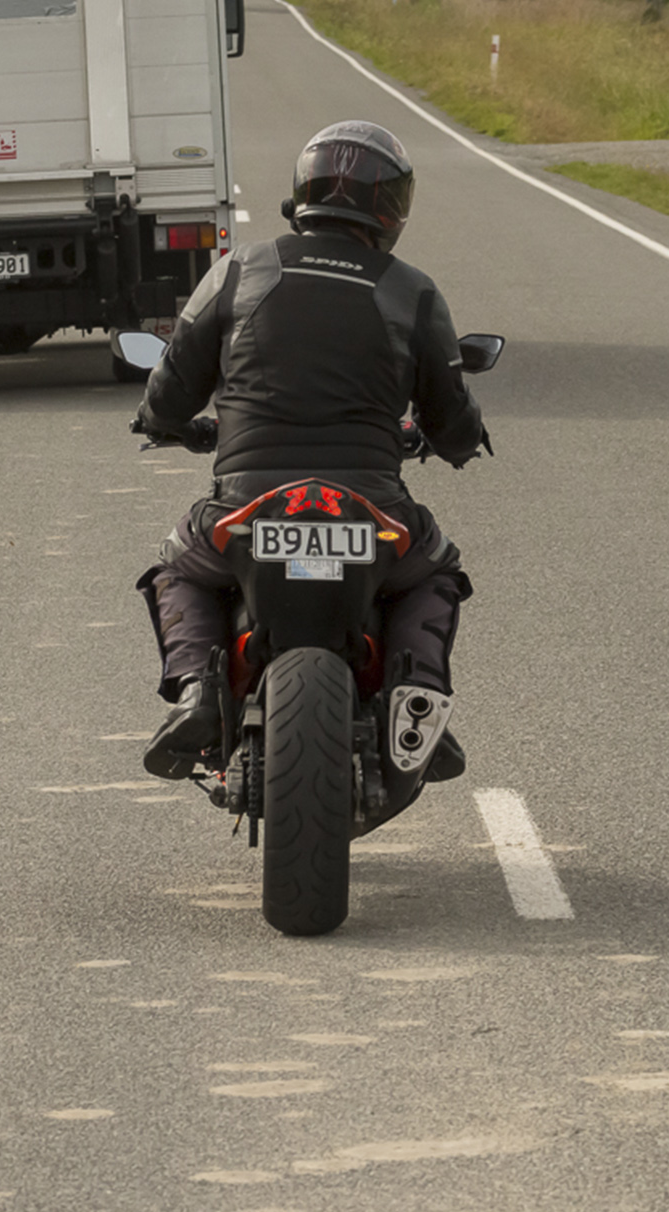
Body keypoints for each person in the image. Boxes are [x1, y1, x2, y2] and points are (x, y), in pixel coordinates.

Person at [131, 120, 488, 781]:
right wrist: (456, 441)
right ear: (391, 207)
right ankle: (417, 696)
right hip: (373, 506)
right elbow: (452, 418)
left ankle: (194, 689)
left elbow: (172, 389)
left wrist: (162, 420)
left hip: (243, 505)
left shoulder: (238, 271)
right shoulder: (412, 291)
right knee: (433, 570)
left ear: (304, 190)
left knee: (177, 568)